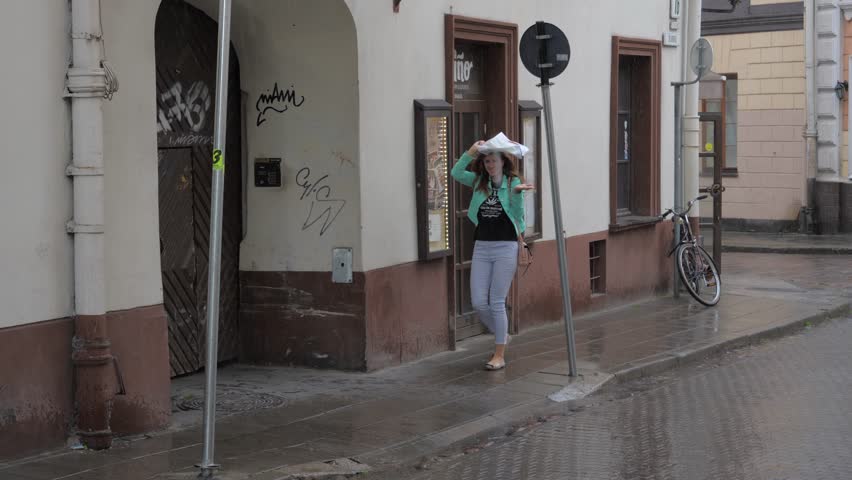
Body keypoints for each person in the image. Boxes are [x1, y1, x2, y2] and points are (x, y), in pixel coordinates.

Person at [451, 137, 534, 371]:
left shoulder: (513, 182)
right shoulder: (479, 182)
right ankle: (502, 333)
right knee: (478, 302)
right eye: (486, 161)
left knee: (496, 301)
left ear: (502, 161)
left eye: (493, 160)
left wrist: (517, 194)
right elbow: (456, 173)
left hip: (505, 247)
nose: (490, 165)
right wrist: (470, 152)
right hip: (482, 246)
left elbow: (519, 217)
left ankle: (499, 354)